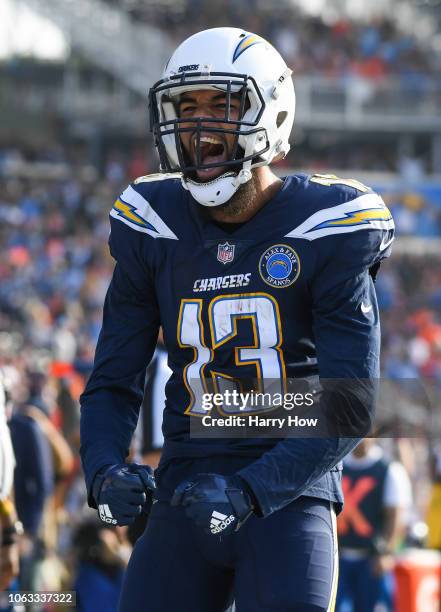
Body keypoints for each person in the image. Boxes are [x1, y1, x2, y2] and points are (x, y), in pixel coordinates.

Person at [80, 27, 395, 611]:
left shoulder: (328, 223)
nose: (199, 127)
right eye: (186, 107)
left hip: (288, 495)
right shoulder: (152, 221)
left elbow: (350, 404)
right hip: (185, 486)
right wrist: (103, 471)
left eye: (222, 105)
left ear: (270, 115)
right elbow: (112, 381)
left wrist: (250, 491)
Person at [336, 438, 412, 612]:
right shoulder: (338, 464)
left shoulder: (388, 469)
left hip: (371, 559)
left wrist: (387, 552)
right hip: (340, 555)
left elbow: (395, 516)